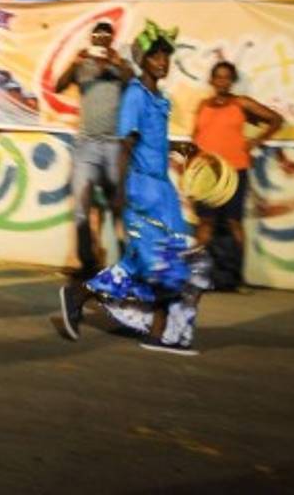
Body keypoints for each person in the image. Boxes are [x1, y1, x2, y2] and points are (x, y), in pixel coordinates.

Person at [58, 21, 210, 356]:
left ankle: (151, 329)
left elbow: (151, 142)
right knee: (158, 263)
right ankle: (91, 299)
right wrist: (122, 194)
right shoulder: (136, 97)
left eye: (165, 56)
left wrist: (176, 150)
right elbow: (125, 146)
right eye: (155, 56)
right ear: (143, 59)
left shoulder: (160, 98)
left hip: (164, 192)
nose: (162, 61)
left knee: (161, 261)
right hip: (140, 191)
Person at [192, 61, 284, 290]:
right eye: (218, 77)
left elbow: (276, 120)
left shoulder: (241, 103)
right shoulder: (203, 104)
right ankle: (197, 275)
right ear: (211, 80)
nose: (222, 81)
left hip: (234, 171)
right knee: (205, 223)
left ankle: (236, 277)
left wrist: (256, 141)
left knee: (234, 223)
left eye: (227, 77)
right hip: (206, 174)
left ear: (231, 81)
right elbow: (197, 136)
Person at [54, 21, 132, 277]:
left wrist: (116, 63)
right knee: (82, 204)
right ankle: (87, 263)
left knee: (117, 205)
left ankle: (125, 262)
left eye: (105, 36)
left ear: (111, 39)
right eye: (96, 35)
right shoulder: (83, 66)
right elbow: (58, 86)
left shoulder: (119, 64)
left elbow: (133, 83)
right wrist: (75, 63)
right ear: (91, 38)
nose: (100, 39)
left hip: (113, 145)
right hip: (86, 144)